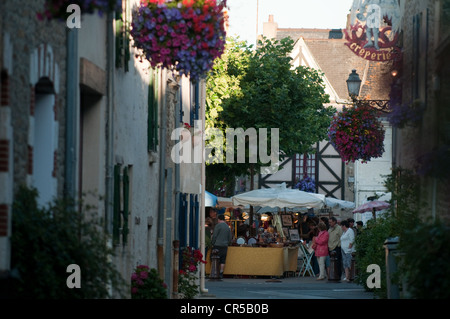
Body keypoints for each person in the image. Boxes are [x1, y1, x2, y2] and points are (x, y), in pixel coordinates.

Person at [211, 214, 232, 278]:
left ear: (219, 219)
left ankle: (215, 272)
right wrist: (228, 243)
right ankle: (221, 272)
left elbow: (214, 235)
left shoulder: (218, 226)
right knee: (223, 260)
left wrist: (212, 243)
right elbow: (230, 237)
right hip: (224, 245)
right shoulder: (227, 227)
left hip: (217, 244)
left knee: (215, 259)